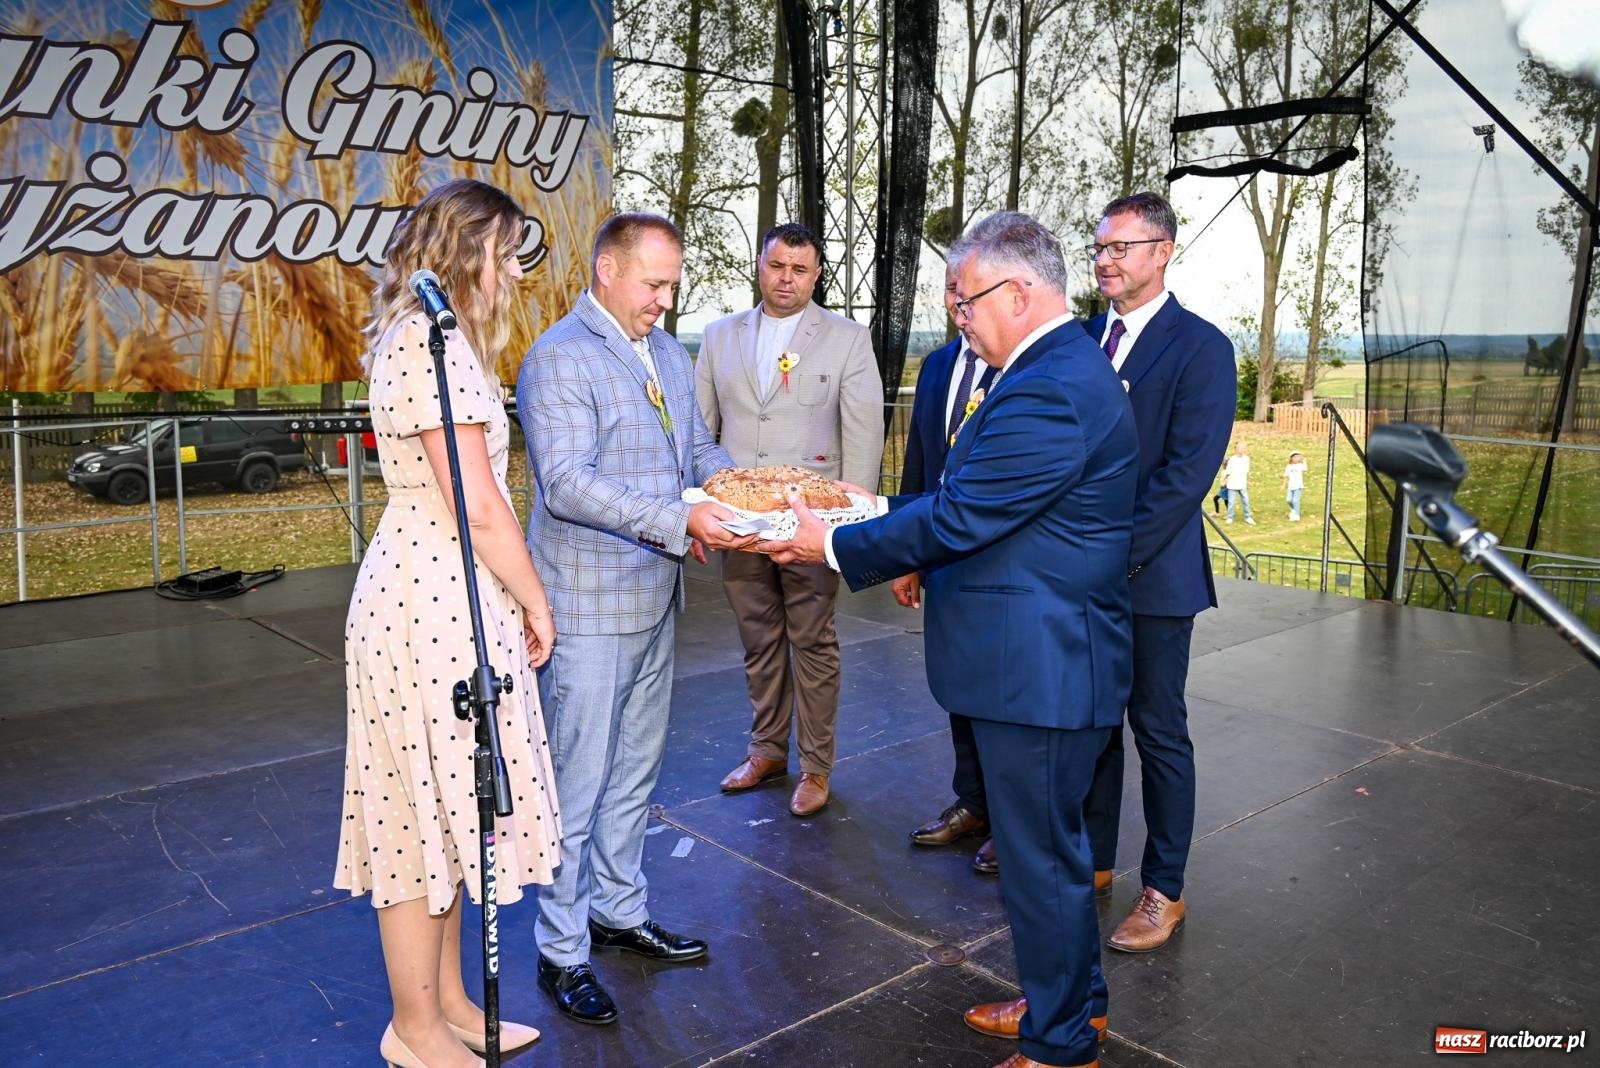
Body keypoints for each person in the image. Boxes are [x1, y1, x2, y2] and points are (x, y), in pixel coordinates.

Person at [764, 211, 1138, 1068]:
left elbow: (965, 513)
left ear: (1020, 290)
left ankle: (1060, 1044)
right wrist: (860, 511)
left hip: (1041, 668)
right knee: (1053, 855)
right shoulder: (1053, 367)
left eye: (964, 299)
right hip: (1039, 661)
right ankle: (1069, 1003)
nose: (956, 315)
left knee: (1041, 863)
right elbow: (975, 500)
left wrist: (826, 541)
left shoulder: (1048, 384)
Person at [334, 178, 560, 1068]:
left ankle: (454, 1002)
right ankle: (413, 1029)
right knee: (415, 819)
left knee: (458, 808)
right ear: (468, 254)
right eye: (504, 254)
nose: (511, 273)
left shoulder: (434, 340)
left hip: (448, 596)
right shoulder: (429, 346)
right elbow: (481, 506)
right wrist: (538, 598)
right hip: (429, 602)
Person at [518, 213, 757, 1025]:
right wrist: (677, 521)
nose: (664, 300)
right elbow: (568, 486)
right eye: (653, 284)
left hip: (655, 600)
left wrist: (750, 493)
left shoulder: (663, 351)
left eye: (672, 286)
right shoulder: (558, 358)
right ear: (605, 270)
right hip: (586, 610)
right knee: (577, 788)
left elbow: (697, 453)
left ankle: (616, 913)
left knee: (633, 777)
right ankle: (561, 952)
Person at [1076, 191, 1238, 962]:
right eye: (1099, 247)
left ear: (1163, 250)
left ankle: (1164, 890)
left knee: (1158, 730)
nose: (1105, 259)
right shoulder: (1079, 340)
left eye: (1121, 247)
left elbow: (1185, 476)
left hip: (1152, 576)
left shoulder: (1201, 347)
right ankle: (1095, 864)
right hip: (1081, 573)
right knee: (1094, 728)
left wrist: (1115, 556)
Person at [695, 222, 885, 817]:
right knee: (757, 641)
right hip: (739, 522)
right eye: (778, 266)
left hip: (811, 524)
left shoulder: (848, 338)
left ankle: (817, 766)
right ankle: (766, 750)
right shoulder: (720, 336)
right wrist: (696, 509)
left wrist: (852, 527)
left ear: (817, 273)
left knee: (813, 641)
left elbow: (863, 433)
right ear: (760, 265)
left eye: (800, 269)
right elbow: (701, 433)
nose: (787, 278)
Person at [895, 264, 1002, 869]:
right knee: (958, 685)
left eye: (970, 294)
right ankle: (973, 803)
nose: (960, 305)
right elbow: (920, 465)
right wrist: (907, 557)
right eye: (951, 293)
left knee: (998, 693)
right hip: (940, 555)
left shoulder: (1017, 366)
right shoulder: (936, 366)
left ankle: (1009, 820)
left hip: (995, 556)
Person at [1222, 441, 1254, 524]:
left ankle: (1248, 517)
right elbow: (1228, 471)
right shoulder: (1232, 459)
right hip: (1232, 484)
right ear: (1236, 449)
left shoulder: (1246, 459)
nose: (1242, 450)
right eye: (1240, 448)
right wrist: (1224, 480)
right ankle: (1230, 517)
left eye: (1243, 448)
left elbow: (1246, 471)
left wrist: (1247, 481)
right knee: (1231, 502)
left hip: (1242, 484)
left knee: (1246, 500)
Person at [1285, 450, 1307, 521]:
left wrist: (1304, 461)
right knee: (1289, 500)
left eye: (1297, 457)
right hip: (1290, 486)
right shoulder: (1289, 466)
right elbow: (1287, 476)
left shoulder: (1300, 466)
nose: (1296, 458)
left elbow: (1305, 469)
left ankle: (1297, 515)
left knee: (1295, 500)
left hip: (1298, 486)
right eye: (1294, 457)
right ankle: (1294, 509)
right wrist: (1284, 484)